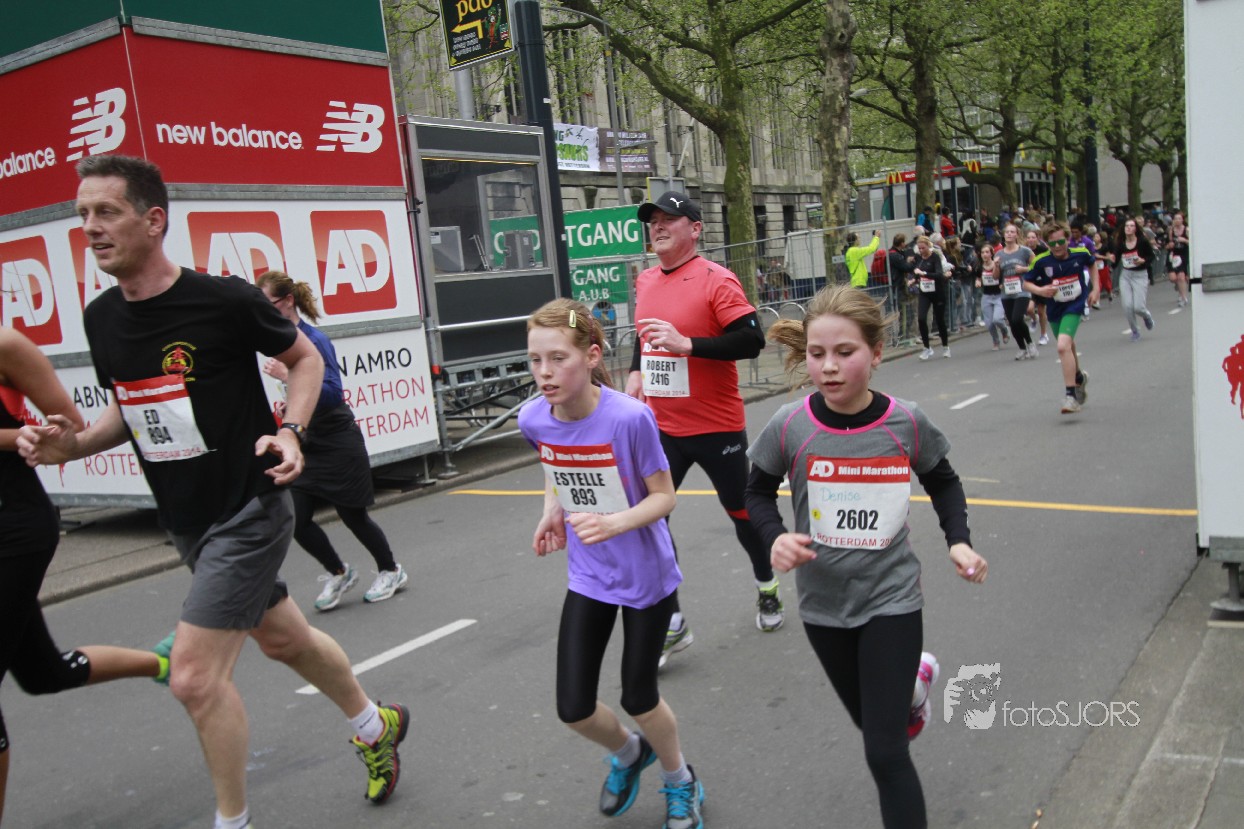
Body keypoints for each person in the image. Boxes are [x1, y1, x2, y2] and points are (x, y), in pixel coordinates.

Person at [16, 155, 409, 829]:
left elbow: (303, 359)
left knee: (195, 678)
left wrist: (291, 431)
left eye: (106, 211)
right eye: (82, 214)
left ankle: (233, 822)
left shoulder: (222, 300)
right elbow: (129, 410)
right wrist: (71, 446)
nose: (90, 227)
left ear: (153, 220)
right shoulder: (101, 317)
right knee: (284, 639)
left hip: (249, 506)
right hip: (186, 518)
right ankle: (378, 725)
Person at [745, 285, 987, 829]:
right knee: (877, 724)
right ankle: (914, 687)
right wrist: (774, 536)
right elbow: (755, 491)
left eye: (844, 352)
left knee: (884, 752)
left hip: (892, 599)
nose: (828, 367)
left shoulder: (906, 421)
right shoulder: (790, 424)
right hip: (823, 605)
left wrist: (958, 540)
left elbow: (943, 482)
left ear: (876, 353)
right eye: (816, 354)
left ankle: (905, 690)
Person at [520, 298, 705, 829]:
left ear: (592, 356)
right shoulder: (533, 417)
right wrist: (552, 510)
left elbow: (665, 497)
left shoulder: (629, 418)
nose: (544, 373)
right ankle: (629, 752)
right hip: (590, 576)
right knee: (573, 707)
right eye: (535, 360)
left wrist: (614, 522)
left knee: (639, 696)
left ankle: (681, 780)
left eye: (558, 359)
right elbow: (554, 464)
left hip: (646, 576)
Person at [1, 327, 172, 825]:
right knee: (43, 673)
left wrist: (21, 436)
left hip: (13, 530)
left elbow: (70, 430)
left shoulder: (7, 346)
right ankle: (164, 663)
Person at [626, 190, 782, 665]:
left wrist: (689, 345)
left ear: (695, 229)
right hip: (662, 427)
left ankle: (767, 586)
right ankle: (672, 621)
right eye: (652, 219)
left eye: (668, 218)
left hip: (716, 428)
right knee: (650, 521)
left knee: (742, 515)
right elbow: (645, 338)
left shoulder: (718, 279)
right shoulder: (646, 279)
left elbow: (752, 340)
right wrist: (635, 371)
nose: (657, 225)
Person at [256, 271, 408, 610]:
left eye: (269, 305)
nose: (265, 313)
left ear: (288, 301)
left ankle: (391, 570)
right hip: (307, 442)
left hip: (338, 439)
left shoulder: (314, 340)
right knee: (296, 519)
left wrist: (289, 375)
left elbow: (332, 393)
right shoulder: (278, 341)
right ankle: (339, 571)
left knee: (353, 516)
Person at [1023, 222, 1100, 414]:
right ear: (1046, 243)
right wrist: (1041, 290)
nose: (1057, 246)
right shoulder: (1041, 260)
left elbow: (1092, 264)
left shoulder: (1080, 253)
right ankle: (1079, 377)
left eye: (1060, 242)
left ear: (1067, 239)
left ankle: (1070, 396)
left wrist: (1096, 289)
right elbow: (1026, 283)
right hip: (1055, 307)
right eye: (1052, 243)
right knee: (1067, 345)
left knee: (1062, 346)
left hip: (1075, 305)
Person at [1113, 217, 1158, 342]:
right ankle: (1135, 331)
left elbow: (1151, 256)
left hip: (1140, 275)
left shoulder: (1142, 242)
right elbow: (1116, 260)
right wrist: (1112, 261)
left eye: (1132, 226)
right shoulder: (1121, 243)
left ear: (1136, 229)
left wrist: (1142, 260)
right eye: (1127, 226)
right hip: (1126, 276)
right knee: (1127, 306)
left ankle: (1147, 316)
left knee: (1138, 307)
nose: (1129, 228)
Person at [998, 225, 1037, 360]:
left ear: (1017, 235)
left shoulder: (1025, 251)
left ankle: (1030, 343)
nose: (1009, 234)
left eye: (1012, 232)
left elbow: (1036, 266)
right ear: (1004, 235)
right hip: (1007, 291)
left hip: (1022, 290)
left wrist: (1024, 269)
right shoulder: (999, 254)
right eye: (1007, 232)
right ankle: (1022, 348)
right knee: (1012, 322)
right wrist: (996, 265)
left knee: (1017, 318)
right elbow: (996, 276)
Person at [910, 236, 951, 360]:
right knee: (921, 318)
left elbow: (939, 274)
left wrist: (924, 274)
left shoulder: (935, 257)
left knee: (939, 320)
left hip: (937, 292)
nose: (921, 250)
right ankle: (927, 348)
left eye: (923, 248)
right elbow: (917, 272)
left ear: (928, 246)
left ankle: (945, 346)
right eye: (919, 248)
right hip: (924, 292)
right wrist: (914, 280)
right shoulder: (918, 258)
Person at [975, 243, 1010, 351]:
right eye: (982, 252)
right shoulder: (979, 267)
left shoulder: (997, 265)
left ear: (991, 254)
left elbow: (1003, 276)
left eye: (987, 252)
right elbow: (978, 278)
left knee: (997, 319)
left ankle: (1004, 331)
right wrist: (977, 282)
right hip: (986, 296)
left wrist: (1002, 284)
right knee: (989, 323)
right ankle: (996, 341)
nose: (984, 254)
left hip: (999, 295)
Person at [1165, 211, 1190, 307]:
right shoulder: (1171, 230)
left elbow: (1192, 242)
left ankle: (1183, 298)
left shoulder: (1187, 230)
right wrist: (1169, 245)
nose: (1177, 220)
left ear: (1183, 220)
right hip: (1173, 255)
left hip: (1183, 255)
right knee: (1173, 278)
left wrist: (1184, 240)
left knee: (1181, 277)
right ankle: (1178, 285)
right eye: (1175, 219)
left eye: (1179, 218)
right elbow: (1166, 245)